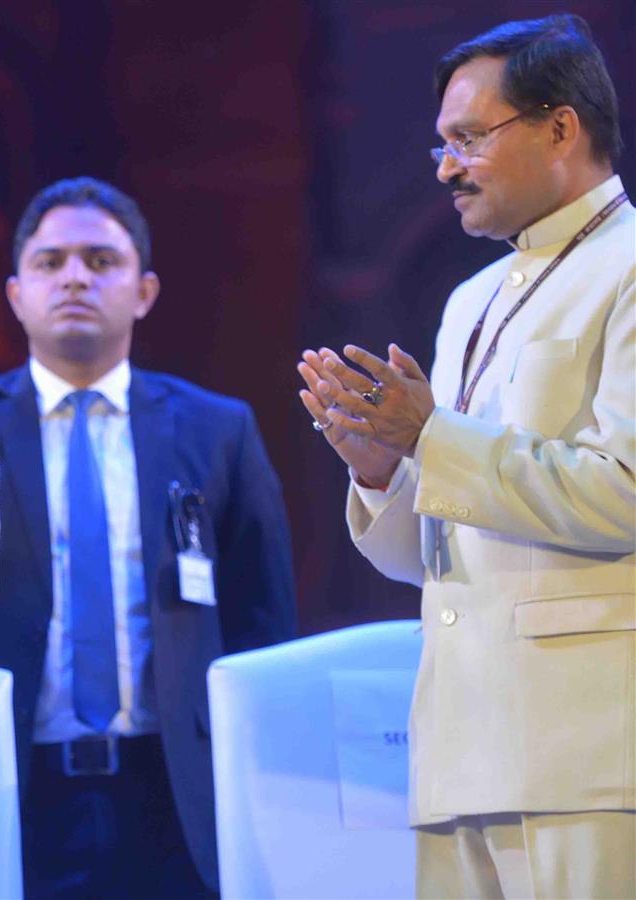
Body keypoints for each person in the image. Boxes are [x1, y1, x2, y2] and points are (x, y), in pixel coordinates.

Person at [298, 14, 634, 898]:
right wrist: (383, 471)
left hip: (592, 763)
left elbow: (627, 495)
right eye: (442, 144)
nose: (445, 167)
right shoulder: (472, 299)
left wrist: (433, 439)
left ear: (561, 128)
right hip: (460, 754)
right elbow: (436, 552)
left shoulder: (630, 268)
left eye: (469, 140)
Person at [0, 176, 296, 897]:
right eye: (51, 262)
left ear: (144, 290)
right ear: (16, 294)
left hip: (173, 793)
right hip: (8, 780)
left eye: (100, 261)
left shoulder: (217, 429)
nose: (75, 276)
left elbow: (260, 623)